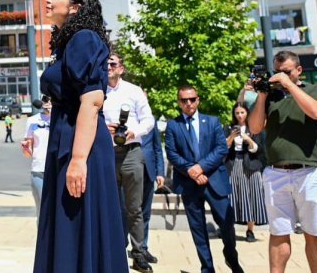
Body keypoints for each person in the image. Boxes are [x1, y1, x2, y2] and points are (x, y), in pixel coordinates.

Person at [33, 0, 127, 273]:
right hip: (68, 140)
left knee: (77, 224)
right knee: (69, 226)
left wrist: (77, 159)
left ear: (74, 7)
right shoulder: (70, 42)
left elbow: (92, 101)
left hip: (80, 145)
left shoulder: (84, 38)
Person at [248, 51, 317, 273]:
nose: (280, 76)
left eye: (286, 72)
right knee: (278, 232)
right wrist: (263, 95)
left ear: (299, 70)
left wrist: (289, 86)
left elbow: (316, 111)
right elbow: (254, 128)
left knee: (314, 233)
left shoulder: (313, 89)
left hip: (308, 172)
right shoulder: (271, 97)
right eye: (277, 72)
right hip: (276, 173)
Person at [165, 85, 244, 273]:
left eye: (192, 99)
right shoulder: (173, 125)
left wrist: (200, 168)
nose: (188, 103)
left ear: (198, 100)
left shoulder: (213, 121)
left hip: (215, 181)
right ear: (179, 102)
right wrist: (191, 170)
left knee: (227, 224)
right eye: (184, 100)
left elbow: (221, 149)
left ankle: (231, 259)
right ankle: (207, 268)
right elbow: (172, 153)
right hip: (188, 184)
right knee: (198, 229)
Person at [104, 53, 156, 271]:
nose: (108, 67)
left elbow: (149, 120)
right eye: (105, 64)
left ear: (121, 68)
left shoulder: (133, 91)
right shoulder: (98, 91)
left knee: (134, 207)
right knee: (111, 207)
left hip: (132, 151)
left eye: (112, 63)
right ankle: (113, 250)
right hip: (106, 153)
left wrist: (133, 132)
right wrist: (104, 130)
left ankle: (138, 251)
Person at [225, 101, 267, 243]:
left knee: (252, 194)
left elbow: (258, 149)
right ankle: (229, 229)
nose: (240, 115)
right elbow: (223, 148)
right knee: (233, 195)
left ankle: (250, 230)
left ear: (247, 113)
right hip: (233, 163)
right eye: (237, 113)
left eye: (242, 112)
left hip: (251, 165)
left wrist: (248, 139)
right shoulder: (229, 128)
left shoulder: (254, 128)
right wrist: (231, 136)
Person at [22, 97, 52, 216]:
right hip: (39, 170)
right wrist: (26, 149)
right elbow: (28, 152)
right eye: (45, 99)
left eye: (51, 99)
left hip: (58, 169)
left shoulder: (62, 119)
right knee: (42, 211)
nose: (48, 102)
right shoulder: (32, 121)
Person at [140, 125, 165, 262]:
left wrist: (160, 172)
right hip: (127, 171)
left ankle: (142, 248)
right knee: (125, 211)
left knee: (145, 212)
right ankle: (123, 246)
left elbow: (157, 148)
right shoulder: (123, 115)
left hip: (148, 172)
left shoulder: (151, 120)